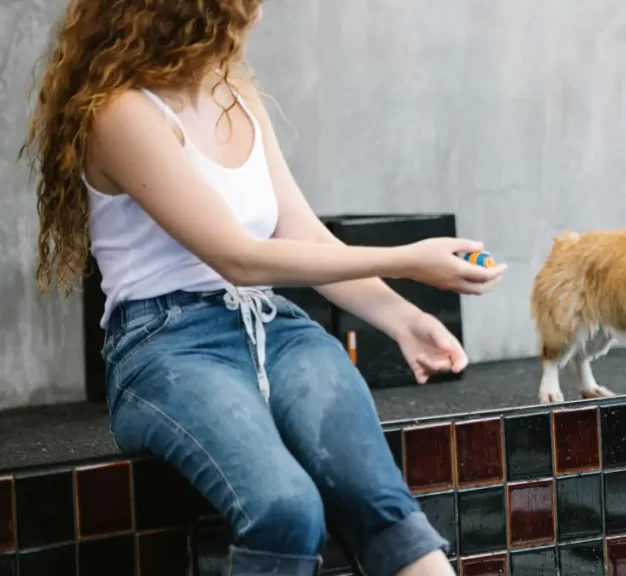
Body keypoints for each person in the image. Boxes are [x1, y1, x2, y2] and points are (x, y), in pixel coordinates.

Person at [20, 1, 507, 575]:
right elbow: (239, 256)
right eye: (242, 7)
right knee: (285, 507)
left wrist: (400, 316)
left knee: (379, 501)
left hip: (274, 330)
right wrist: (410, 259)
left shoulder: (236, 97)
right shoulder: (121, 114)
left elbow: (300, 232)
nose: (256, 18)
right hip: (168, 347)